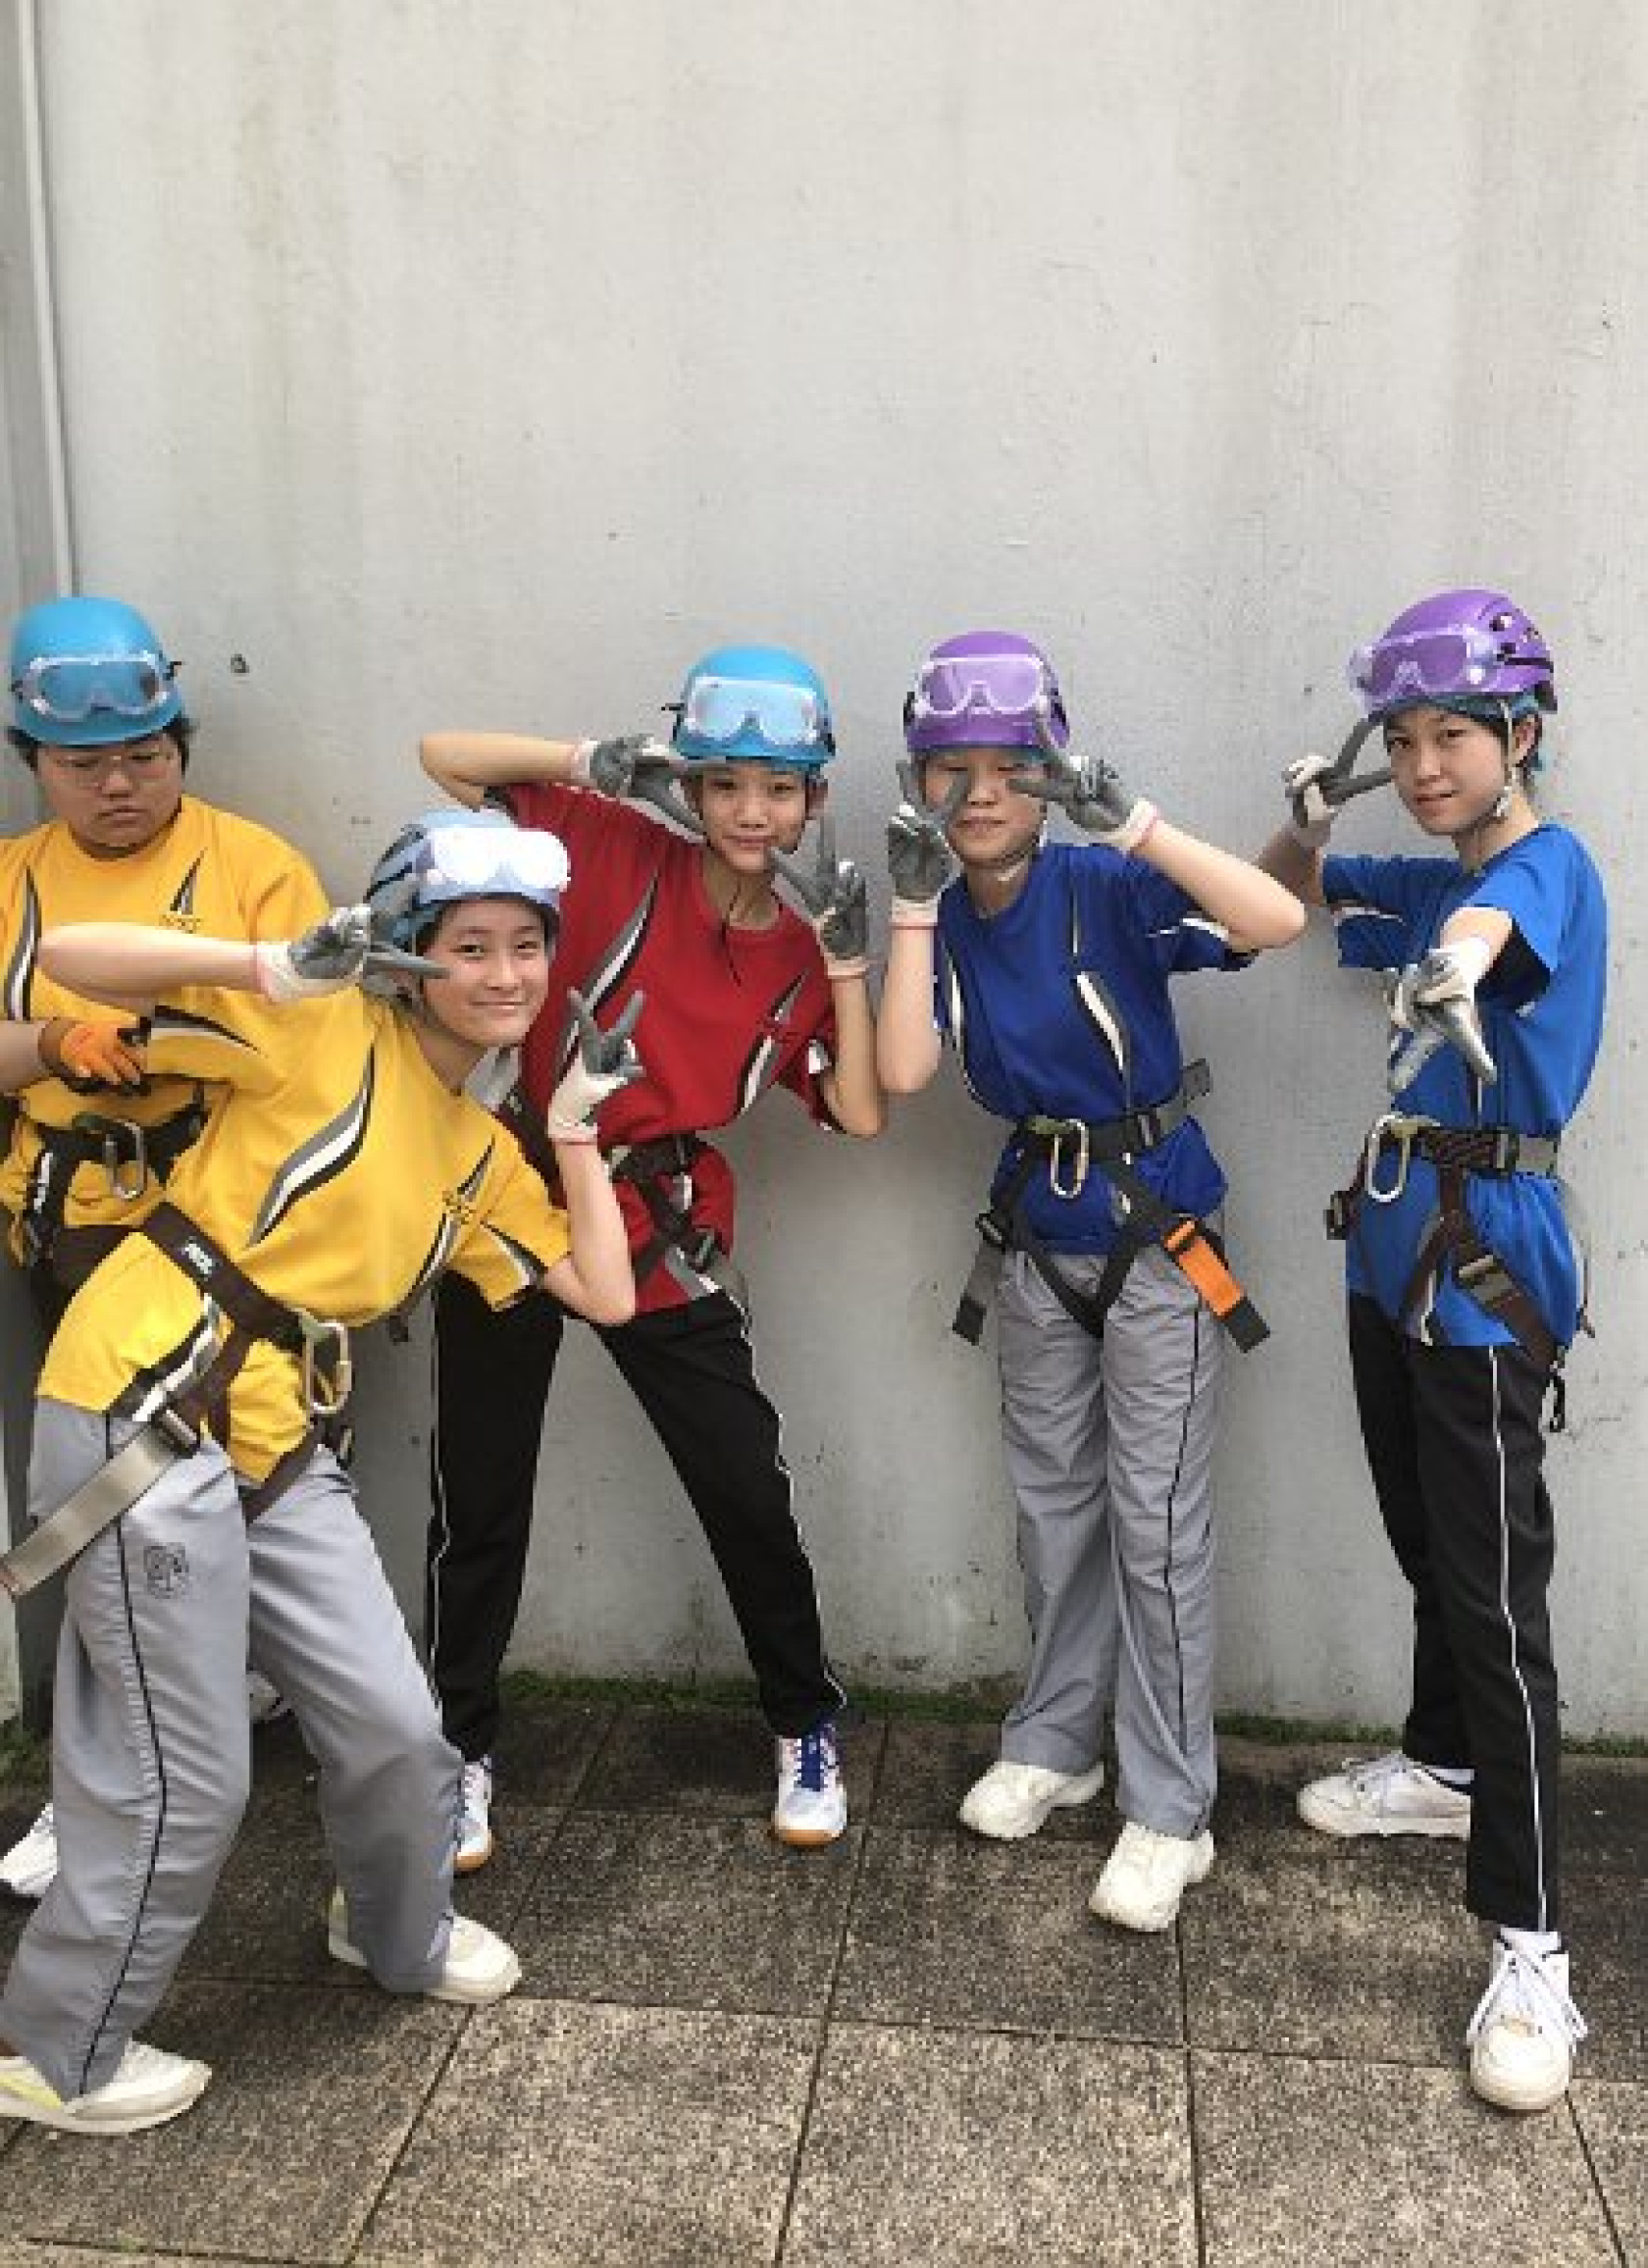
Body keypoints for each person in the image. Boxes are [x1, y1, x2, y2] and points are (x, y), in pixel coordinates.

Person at [0, 805, 641, 2136]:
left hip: (278, 1432)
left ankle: (398, 1934)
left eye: (527, 944)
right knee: (183, 1770)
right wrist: (259, 965)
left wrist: (576, 1130)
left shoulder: (476, 1148)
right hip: (141, 1398)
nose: (507, 973)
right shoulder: (317, 1023)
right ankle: (58, 2054)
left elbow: (604, 1290)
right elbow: (71, 956)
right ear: (410, 953)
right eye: (471, 945)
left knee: (398, 1727)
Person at [420, 643, 883, 1867]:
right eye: (724, 782)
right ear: (688, 783)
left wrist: (847, 963)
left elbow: (857, 1105)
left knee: (742, 1480)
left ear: (814, 798)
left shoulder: (800, 945)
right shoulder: (609, 842)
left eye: (778, 788)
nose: (751, 811)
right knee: (480, 1490)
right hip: (517, 1189)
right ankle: (457, 1748)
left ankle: (806, 1720)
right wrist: (596, 761)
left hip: (657, 1211)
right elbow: (445, 758)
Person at [876, 630, 1304, 1931]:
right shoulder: (942, 914)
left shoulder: (1103, 887)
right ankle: (1058, 1741)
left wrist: (1137, 825)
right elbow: (902, 1072)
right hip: (1033, 1236)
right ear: (918, 780)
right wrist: (906, 907)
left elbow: (1273, 919)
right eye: (951, 767)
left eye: (1012, 764)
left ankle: (1171, 1807)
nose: (981, 793)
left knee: (1157, 1527)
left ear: (1052, 773)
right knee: (1053, 1507)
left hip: (1156, 1238)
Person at [1258, 589, 1606, 2113]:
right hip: (1395, 1235)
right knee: (1424, 1533)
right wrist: (1304, 827)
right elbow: (1287, 906)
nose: (1422, 764)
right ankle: (1442, 1764)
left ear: (1520, 734)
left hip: (1485, 1260)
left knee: (1493, 1592)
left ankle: (1534, 1950)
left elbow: (1491, 926)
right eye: (1399, 740)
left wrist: (1457, 964)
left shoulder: (1544, 869)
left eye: (1451, 734)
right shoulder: (1431, 869)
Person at [0, 594, 330, 1905]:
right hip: (80, 1233)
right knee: (104, 1508)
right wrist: (53, 1043)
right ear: (34, 758)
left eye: (145, 754)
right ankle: (96, 1791)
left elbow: (316, 1055)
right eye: (83, 762)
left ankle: (255, 1685)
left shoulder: (255, 866)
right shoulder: (14, 882)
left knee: (265, 1477)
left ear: (179, 742)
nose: (120, 784)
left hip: (230, 1233)